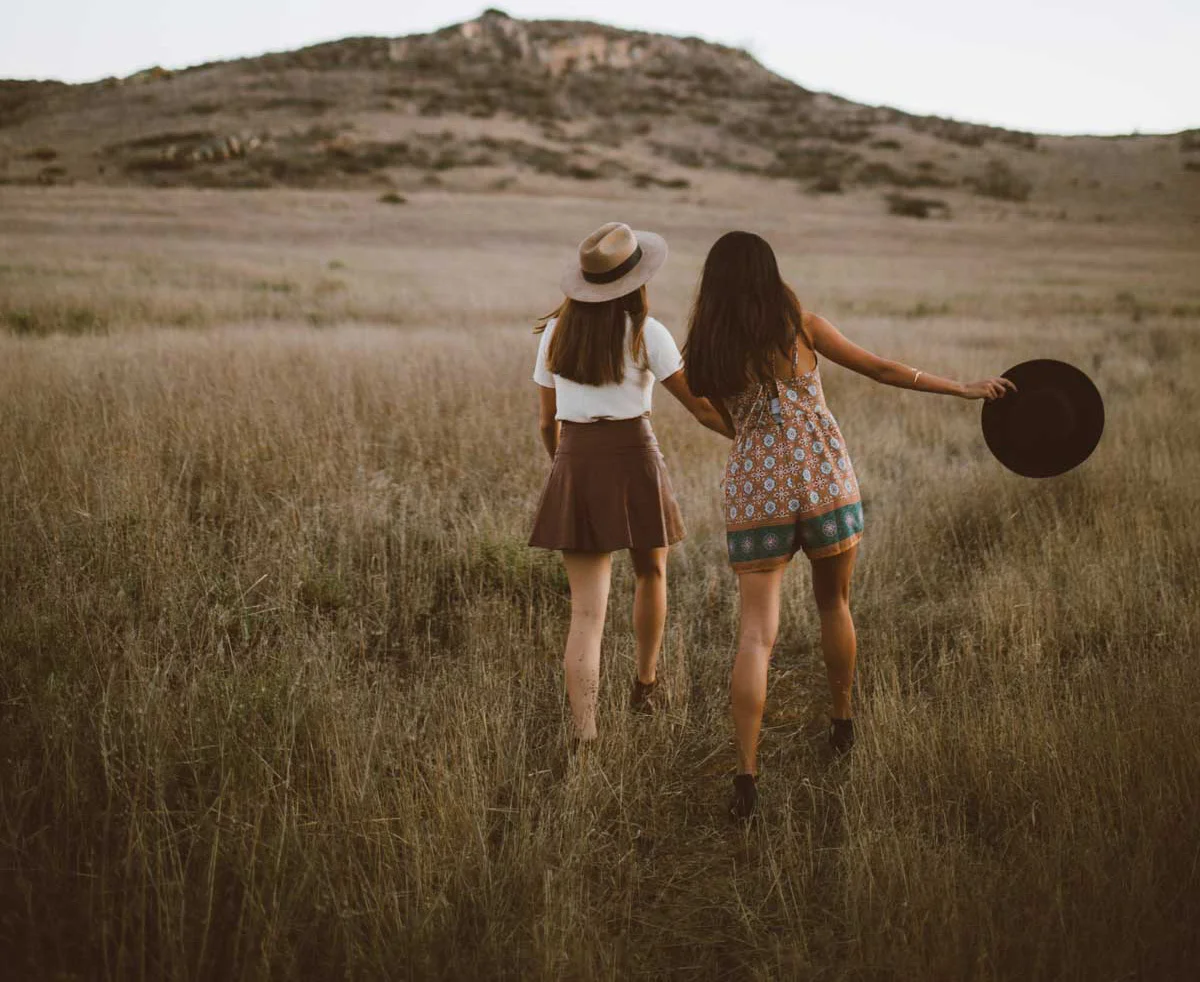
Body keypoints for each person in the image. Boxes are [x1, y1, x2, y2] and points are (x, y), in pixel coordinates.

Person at [682, 231, 1015, 819]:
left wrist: (756, 438)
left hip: (757, 488)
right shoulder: (803, 327)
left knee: (756, 635)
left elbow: (712, 413)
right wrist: (960, 388)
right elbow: (881, 369)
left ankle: (746, 777)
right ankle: (842, 721)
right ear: (769, 274)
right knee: (834, 603)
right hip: (824, 478)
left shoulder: (706, 349)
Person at [530, 222, 734, 744]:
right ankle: (645, 683)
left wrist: (565, 468)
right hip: (635, 457)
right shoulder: (648, 333)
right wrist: (750, 435)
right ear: (635, 280)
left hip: (576, 458)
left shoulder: (556, 333)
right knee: (652, 572)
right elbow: (701, 410)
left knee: (586, 613)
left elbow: (546, 422)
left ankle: (586, 736)